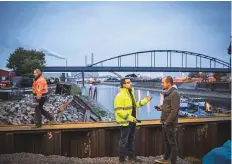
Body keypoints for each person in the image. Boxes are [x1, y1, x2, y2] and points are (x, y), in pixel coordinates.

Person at [114, 78, 152, 163]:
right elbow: (119, 111)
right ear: (123, 85)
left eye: (130, 82)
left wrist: (146, 100)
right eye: (128, 83)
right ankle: (122, 159)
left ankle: (131, 157)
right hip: (126, 122)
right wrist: (131, 118)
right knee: (123, 141)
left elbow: (136, 105)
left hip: (133, 121)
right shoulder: (119, 96)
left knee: (131, 140)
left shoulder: (131, 94)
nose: (130, 84)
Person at [155, 76, 180, 164]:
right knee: (167, 142)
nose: (161, 84)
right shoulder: (169, 93)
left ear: (169, 83)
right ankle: (166, 159)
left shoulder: (175, 93)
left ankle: (173, 161)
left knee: (172, 143)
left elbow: (174, 110)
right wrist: (161, 107)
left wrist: (167, 122)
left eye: (163, 82)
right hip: (165, 122)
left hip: (170, 123)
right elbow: (168, 107)